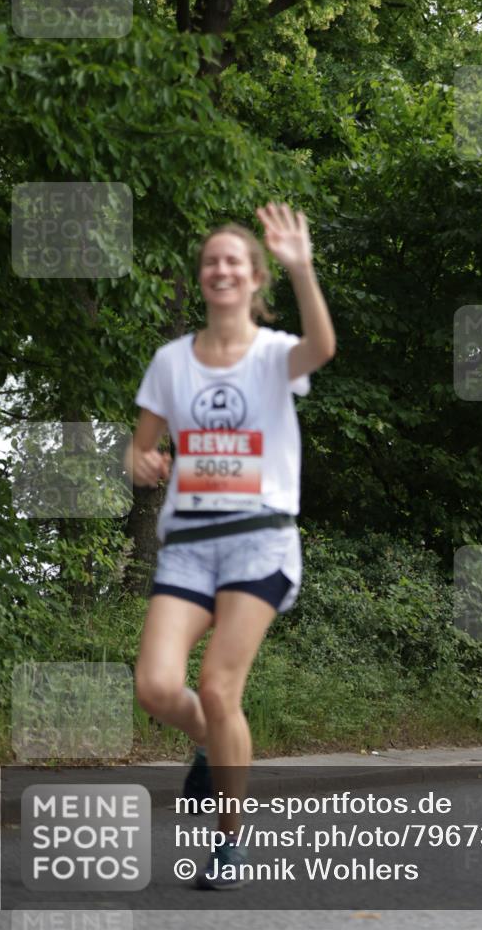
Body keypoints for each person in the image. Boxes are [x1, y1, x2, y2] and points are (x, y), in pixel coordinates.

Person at [126, 202, 336, 889]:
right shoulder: (169, 361)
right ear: (203, 276)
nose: (220, 269)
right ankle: (207, 746)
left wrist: (302, 269)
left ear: (253, 279)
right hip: (189, 544)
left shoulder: (276, 355)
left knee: (218, 687)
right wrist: (142, 462)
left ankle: (230, 838)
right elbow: (142, 444)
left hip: (259, 543)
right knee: (156, 687)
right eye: (211, 260)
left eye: (234, 261)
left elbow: (322, 349)